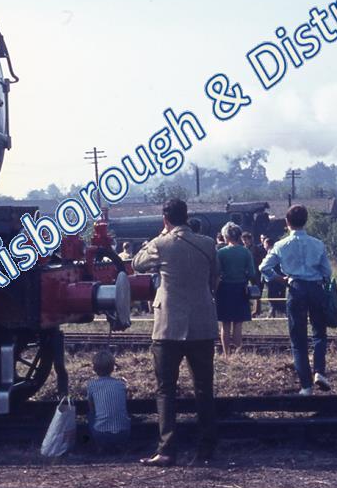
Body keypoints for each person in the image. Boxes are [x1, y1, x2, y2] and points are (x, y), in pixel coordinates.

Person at [132, 199, 218, 466]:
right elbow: (215, 278)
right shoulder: (208, 244)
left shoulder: (161, 244)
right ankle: (206, 450)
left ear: (165, 219)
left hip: (168, 325)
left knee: (165, 389)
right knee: (204, 388)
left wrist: (161, 234)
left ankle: (167, 450)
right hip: (202, 323)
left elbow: (137, 263)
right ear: (187, 216)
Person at [260, 205, 333, 395]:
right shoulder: (318, 244)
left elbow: (264, 267)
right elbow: (327, 271)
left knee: (298, 339)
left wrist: (280, 279)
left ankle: (306, 386)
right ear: (306, 221)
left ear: (287, 222)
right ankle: (319, 371)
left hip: (295, 288)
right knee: (319, 333)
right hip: (315, 288)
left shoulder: (281, 245)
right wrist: (320, 280)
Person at [215, 223, 255, 356]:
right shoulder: (246, 252)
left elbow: (216, 272)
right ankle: (238, 352)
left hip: (224, 289)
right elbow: (252, 273)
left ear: (226, 236)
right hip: (240, 289)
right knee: (238, 323)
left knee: (225, 324)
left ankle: (226, 354)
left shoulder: (221, 253)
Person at [85, 349, 131, 453]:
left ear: (94, 368)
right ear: (112, 368)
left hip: (101, 434)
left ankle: (100, 446)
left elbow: (92, 408)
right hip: (123, 433)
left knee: (90, 415)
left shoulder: (92, 385)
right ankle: (120, 445)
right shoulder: (121, 384)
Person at [263, 236, 287, 317]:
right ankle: (274, 312)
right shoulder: (273, 252)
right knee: (274, 296)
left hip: (275, 278)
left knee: (274, 296)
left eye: (264, 244)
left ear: (267, 244)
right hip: (274, 278)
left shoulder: (273, 253)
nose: (263, 246)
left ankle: (278, 312)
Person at [243, 232, 266, 317]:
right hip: (245, 272)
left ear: (250, 239)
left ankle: (257, 310)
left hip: (256, 272)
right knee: (244, 290)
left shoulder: (256, 249)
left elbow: (261, 259)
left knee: (257, 290)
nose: (244, 241)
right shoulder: (243, 249)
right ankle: (246, 309)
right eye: (243, 240)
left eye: (246, 239)